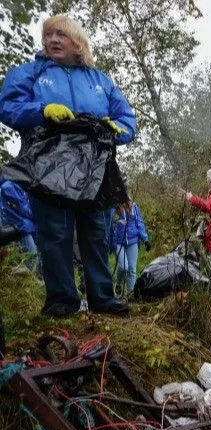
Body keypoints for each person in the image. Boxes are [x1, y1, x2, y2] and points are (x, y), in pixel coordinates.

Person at [0, 15, 137, 317]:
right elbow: (8, 105)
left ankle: (102, 298)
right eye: (47, 35)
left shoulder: (99, 80)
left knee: (95, 232)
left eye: (60, 34)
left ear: (77, 42)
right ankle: (62, 300)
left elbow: (128, 120)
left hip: (95, 164)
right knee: (55, 232)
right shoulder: (31, 73)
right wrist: (42, 110)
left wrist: (116, 129)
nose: (52, 39)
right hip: (49, 160)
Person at [0, 178, 40, 276]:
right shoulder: (9, 186)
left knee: (34, 260)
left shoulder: (11, 185)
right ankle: (10, 275)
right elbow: (25, 210)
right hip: (21, 228)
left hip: (22, 227)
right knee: (32, 262)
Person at [111, 197, 150, 295]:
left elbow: (139, 223)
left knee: (132, 269)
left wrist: (145, 239)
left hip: (133, 241)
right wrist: (110, 242)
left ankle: (131, 294)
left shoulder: (134, 207)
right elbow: (110, 225)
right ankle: (118, 283)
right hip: (119, 242)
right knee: (124, 267)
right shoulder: (114, 208)